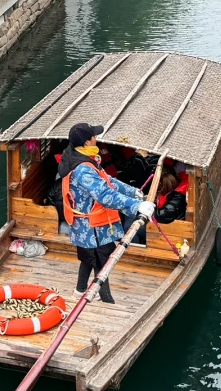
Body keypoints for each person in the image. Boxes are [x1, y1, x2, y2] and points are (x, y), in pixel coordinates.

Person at [59, 123, 155, 303]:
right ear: (87, 142)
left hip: (85, 226)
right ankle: (107, 301)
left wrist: (132, 191)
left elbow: (107, 180)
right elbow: (104, 195)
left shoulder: (80, 156)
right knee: (102, 264)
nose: (97, 138)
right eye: (94, 136)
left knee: (88, 259)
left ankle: (80, 291)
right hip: (92, 229)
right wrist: (136, 206)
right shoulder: (83, 170)